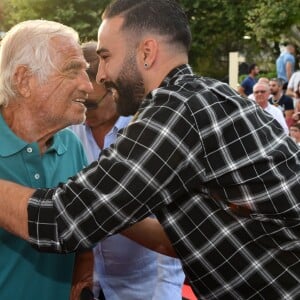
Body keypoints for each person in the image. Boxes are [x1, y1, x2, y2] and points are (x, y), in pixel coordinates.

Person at [0, 1, 300, 299]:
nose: (98, 78)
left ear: (146, 53)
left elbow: (59, 220)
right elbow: (191, 236)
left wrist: (95, 213)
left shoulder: (177, 113)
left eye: (105, 56)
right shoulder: (206, 98)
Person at [70, 41, 184, 300]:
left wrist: (165, 293)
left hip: (145, 289)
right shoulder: (70, 135)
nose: (83, 112)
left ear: (114, 90)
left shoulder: (148, 135)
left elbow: (172, 224)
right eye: (77, 100)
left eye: (90, 104)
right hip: (90, 286)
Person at [0, 20, 94, 300]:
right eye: (72, 70)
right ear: (24, 80)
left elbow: (84, 229)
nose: (88, 86)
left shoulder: (71, 145)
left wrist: (84, 271)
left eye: (85, 72)